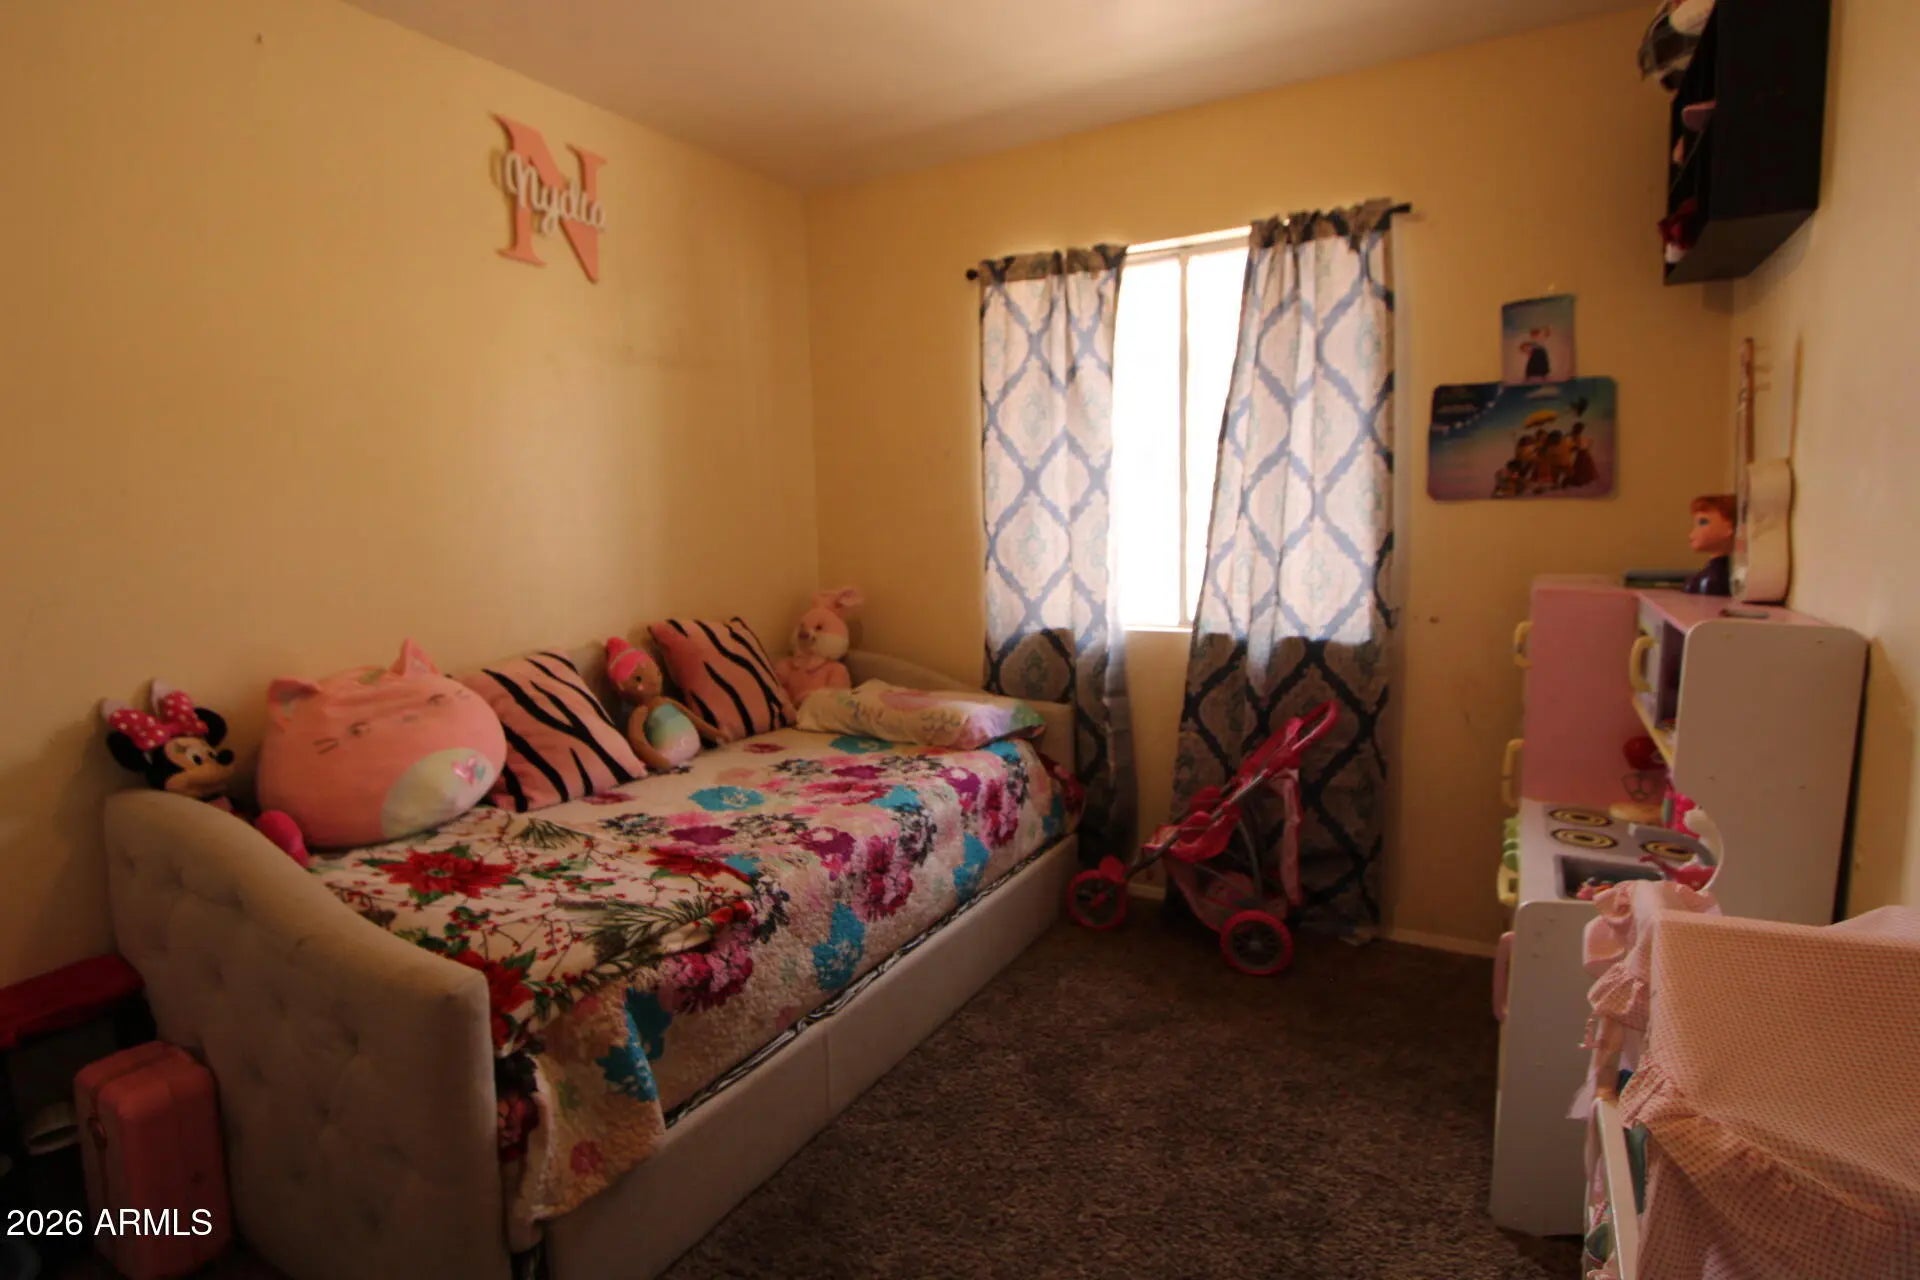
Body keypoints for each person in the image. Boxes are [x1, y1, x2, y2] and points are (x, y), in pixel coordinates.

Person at [1684, 494, 1736, 595]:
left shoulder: (1718, 578)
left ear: (1729, 528)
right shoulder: (1708, 575)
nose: (1693, 532)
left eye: (1703, 522)